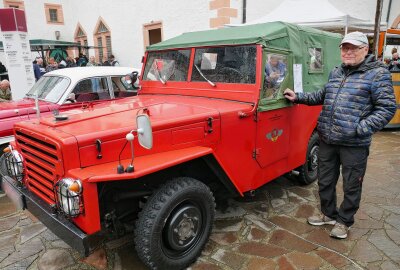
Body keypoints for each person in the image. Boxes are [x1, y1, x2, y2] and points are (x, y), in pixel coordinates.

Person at [283, 31, 396, 239]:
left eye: (353, 48)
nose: (348, 52)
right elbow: (322, 95)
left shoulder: (378, 74)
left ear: (365, 49)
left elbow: (387, 108)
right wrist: (297, 97)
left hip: (354, 143)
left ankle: (344, 221)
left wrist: (360, 128)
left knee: (352, 184)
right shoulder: (336, 72)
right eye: (345, 47)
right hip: (328, 138)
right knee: (325, 181)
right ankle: (328, 214)